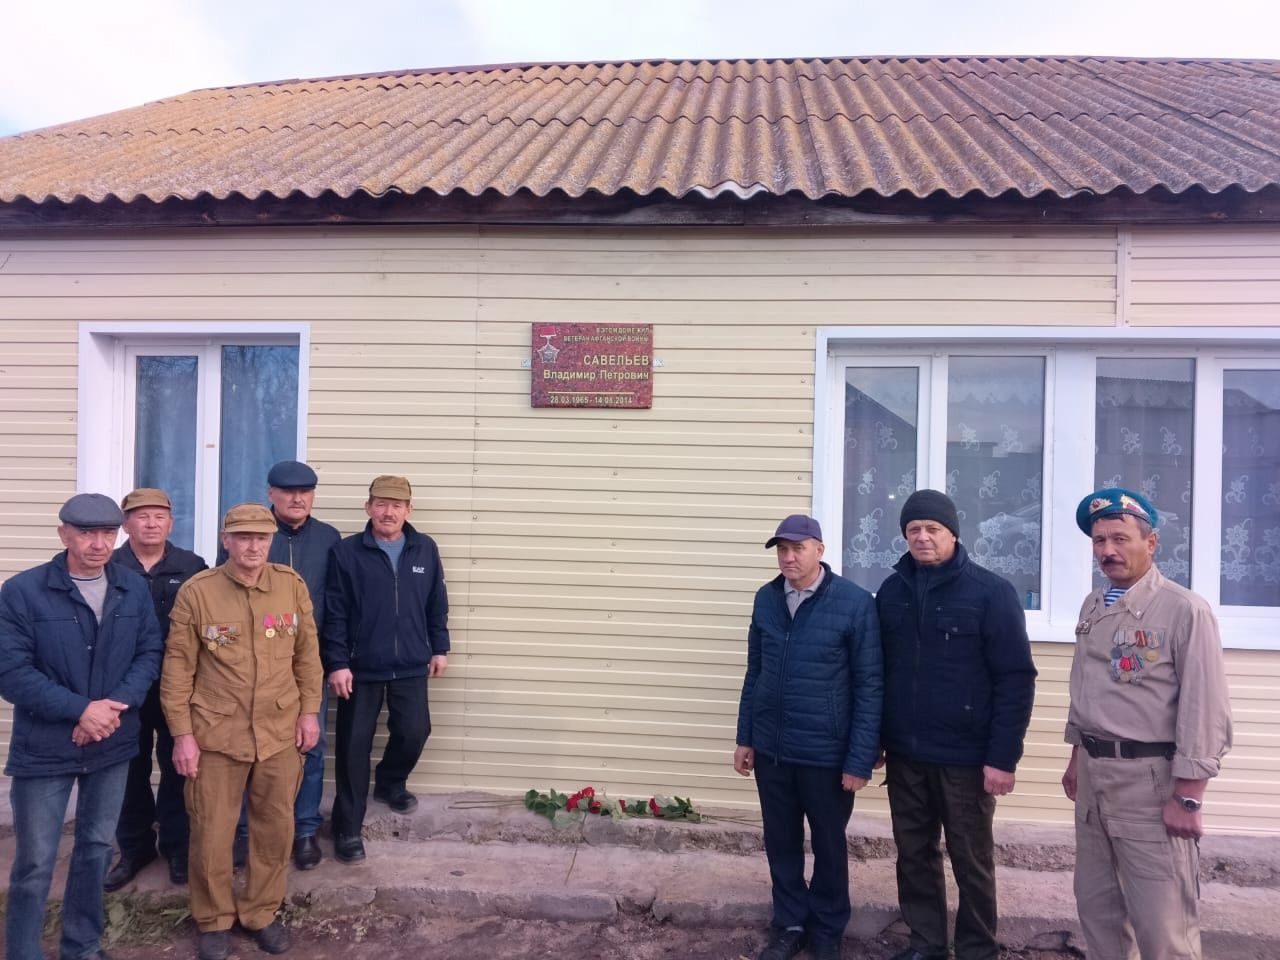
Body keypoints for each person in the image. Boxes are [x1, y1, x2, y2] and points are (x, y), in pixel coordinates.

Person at [1062, 488, 1233, 960]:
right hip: (1096, 780)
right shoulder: (1093, 606)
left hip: (1150, 783)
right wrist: (1077, 757)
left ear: (1151, 542)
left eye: (1120, 538)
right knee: (1098, 912)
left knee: (1164, 926)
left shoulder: (1184, 610)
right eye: (1099, 541)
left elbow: (1206, 707)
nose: (1107, 551)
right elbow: (1088, 688)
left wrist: (1189, 795)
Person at [874, 490, 1037, 960]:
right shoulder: (892, 592)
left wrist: (1002, 758)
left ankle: (975, 949)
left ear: (953, 534)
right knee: (913, 855)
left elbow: (1015, 679)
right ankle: (926, 944)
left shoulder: (990, 592)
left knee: (972, 861)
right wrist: (878, 741)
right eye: (913, 530)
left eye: (933, 529)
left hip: (966, 760)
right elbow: (880, 671)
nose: (922, 538)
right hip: (906, 755)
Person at [0, 493, 163, 960]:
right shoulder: (23, 591)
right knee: (34, 862)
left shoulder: (132, 588)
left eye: (108, 533)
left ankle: (81, 946)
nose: (98, 543)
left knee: (94, 850)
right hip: (46, 746)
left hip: (111, 743)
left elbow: (148, 654)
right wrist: (80, 711)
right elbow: (12, 672)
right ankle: (24, 952)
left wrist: (112, 708)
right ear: (63, 534)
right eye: (87, 533)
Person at [161, 504, 323, 960]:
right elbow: (177, 669)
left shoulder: (290, 587)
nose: (253, 546)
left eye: (261, 538)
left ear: (271, 541)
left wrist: (309, 713)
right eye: (243, 537)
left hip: (278, 731)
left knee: (274, 829)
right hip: (216, 734)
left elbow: (308, 657)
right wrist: (182, 734)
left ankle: (261, 912)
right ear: (226, 540)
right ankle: (213, 920)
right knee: (212, 831)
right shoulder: (199, 593)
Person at [733, 514, 883, 960]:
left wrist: (859, 760)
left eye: (798, 548)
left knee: (829, 845)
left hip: (826, 753)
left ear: (820, 549)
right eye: (782, 549)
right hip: (773, 750)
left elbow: (869, 684)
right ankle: (790, 923)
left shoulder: (854, 603)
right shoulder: (766, 599)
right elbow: (754, 672)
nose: (788, 557)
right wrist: (746, 737)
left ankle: (828, 929)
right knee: (780, 843)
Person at [219, 460, 340, 871]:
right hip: (249, 664)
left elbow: (337, 604)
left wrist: (333, 659)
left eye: (305, 492)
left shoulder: (328, 538)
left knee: (310, 744)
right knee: (245, 745)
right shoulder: (252, 536)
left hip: (305, 662)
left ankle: (304, 829)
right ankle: (242, 832)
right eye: (288, 491)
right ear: (271, 493)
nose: (297, 498)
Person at [324, 475, 450, 864]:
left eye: (397, 505)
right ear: (368, 508)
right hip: (360, 669)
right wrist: (338, 663)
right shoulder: (347, 552)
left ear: (409, 510)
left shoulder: (424, 549)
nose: (388, 511)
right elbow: (335, 613)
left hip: (412, 663)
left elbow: (436, 602)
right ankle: (347, 829)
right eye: (380, 503)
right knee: (351, 748)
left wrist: (439, 646)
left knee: (415, 731)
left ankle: (391, 782)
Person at [105, 487, 208, 891]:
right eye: (141, 516)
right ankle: (134, 848)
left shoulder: (192, 565)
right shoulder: (110, 566)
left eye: (159, 516)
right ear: (126, 524)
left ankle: (177, 846)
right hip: (124, 687)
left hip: (177, 685)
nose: (151, 523)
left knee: (179, 767)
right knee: (128, 770)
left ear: (171, 522)